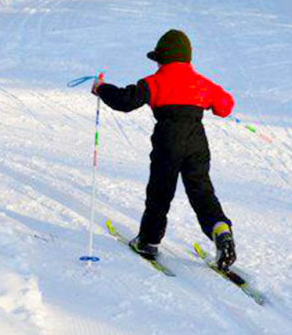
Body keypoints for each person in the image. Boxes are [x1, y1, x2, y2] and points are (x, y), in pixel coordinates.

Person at [91, 29, 237, 270]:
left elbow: (125, 101)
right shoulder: (201, 82)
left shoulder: (154, 81)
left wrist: (101, 88)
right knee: (202, 191)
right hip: (197, 141)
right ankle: (221, 230)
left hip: (168, 141)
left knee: (160, 191)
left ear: (162, 59)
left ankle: (148, 241)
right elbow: (225, 106)